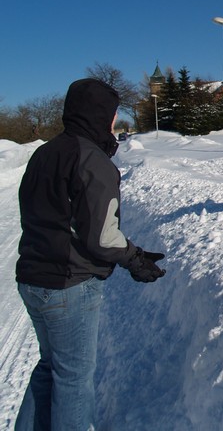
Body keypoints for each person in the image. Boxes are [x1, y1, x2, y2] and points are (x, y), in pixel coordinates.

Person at [15, 78, 166, 431]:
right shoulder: (92, 160)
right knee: (73, 378)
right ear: (101, 115)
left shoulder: (45, 153)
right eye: (112, 113)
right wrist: (135, 258)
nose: (114, 121)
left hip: (32, 278)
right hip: (68, 285)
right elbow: (102, 237)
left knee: (50, 367)